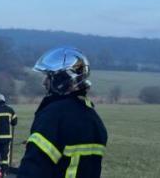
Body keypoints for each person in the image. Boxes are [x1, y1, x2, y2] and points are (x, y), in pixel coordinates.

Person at [17, 47, 107, 178]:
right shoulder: (94, 120)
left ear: (62, 80)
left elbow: (33, 169)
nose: (44, 82)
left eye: (49, 77)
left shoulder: (53, 116)